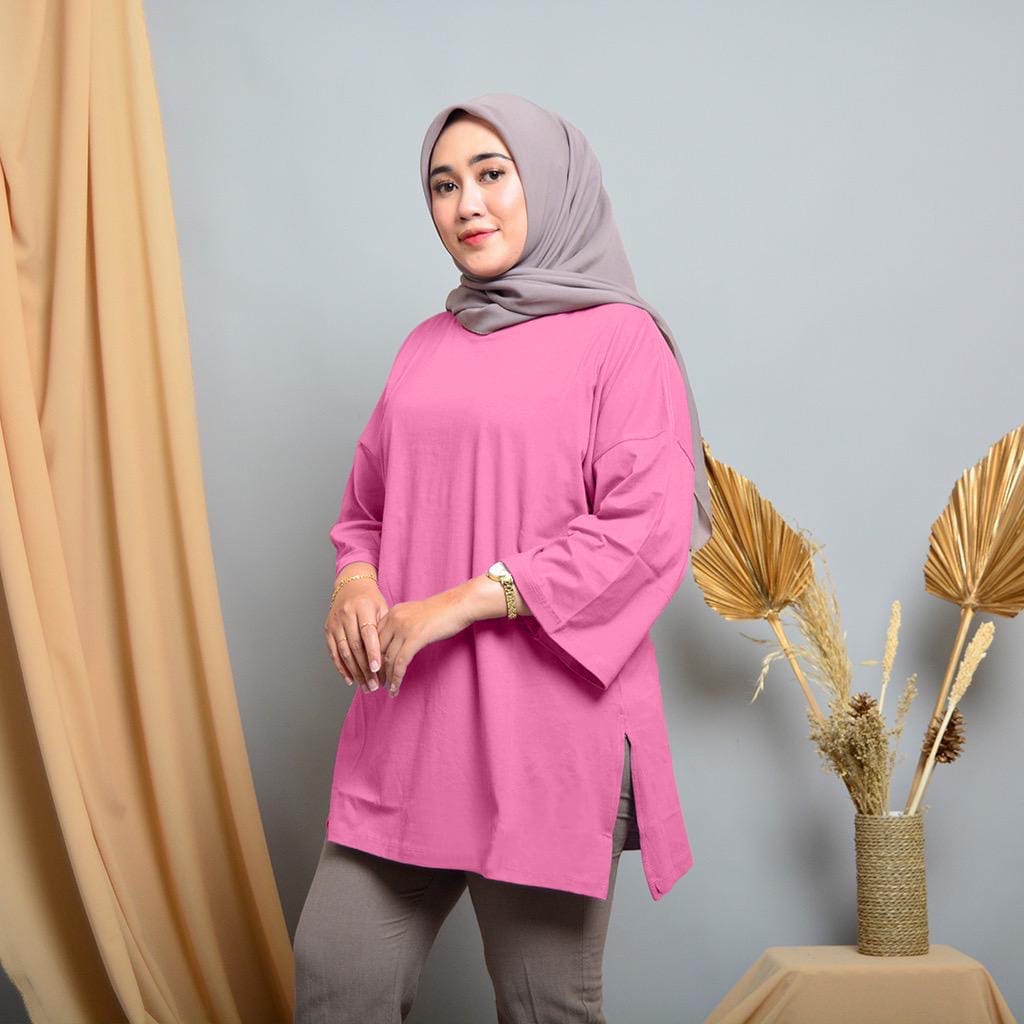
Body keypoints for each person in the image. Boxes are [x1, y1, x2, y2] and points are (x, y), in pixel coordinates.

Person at [293, 92, 713, 1024]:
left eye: (492, 174)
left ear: (551, 184)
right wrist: (355, 581)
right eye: (444, 185)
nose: (468, 204)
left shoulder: (622, 341)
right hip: (409, 728)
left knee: (542, 1003)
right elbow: (366, 510)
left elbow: (642, 532)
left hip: (546, 734)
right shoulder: (424, 347)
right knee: (337, 976)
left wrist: (452, 605)